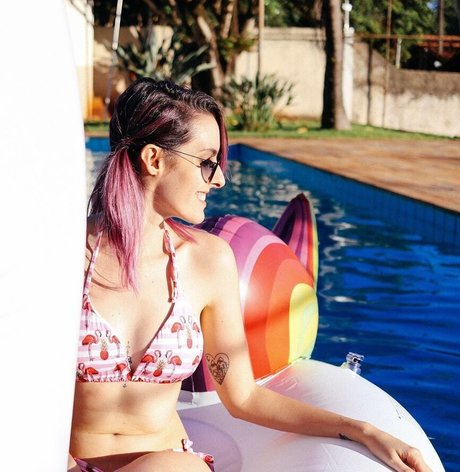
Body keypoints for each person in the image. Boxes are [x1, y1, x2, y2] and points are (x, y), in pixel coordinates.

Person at [68, 78, 431, 472]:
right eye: (207, 162)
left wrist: (362, 429)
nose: (219, 179)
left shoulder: (208, 261)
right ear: (154, 159)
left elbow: (243, 397)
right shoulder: (66, 256)